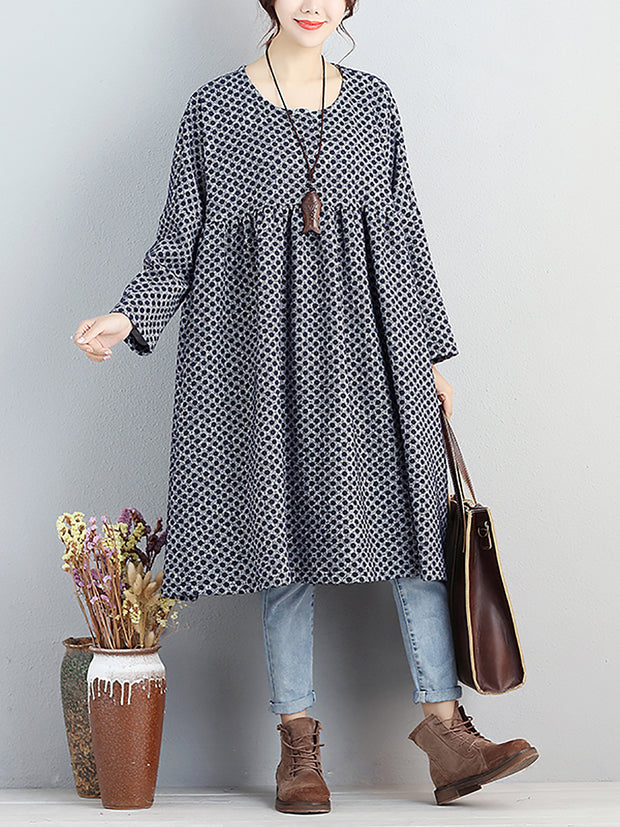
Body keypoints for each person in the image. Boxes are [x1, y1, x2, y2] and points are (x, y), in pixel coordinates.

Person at [72, 0, 539, 816]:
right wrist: (128, 314)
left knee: (414, 527)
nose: (314, 4)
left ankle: (448, 734)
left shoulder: (375, 103)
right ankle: (296, 746)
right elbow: (180, 237)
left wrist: (430, 354)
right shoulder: (214, 110)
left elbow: (404, 233)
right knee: (279, 542)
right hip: (258, 361)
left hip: (372, 350)